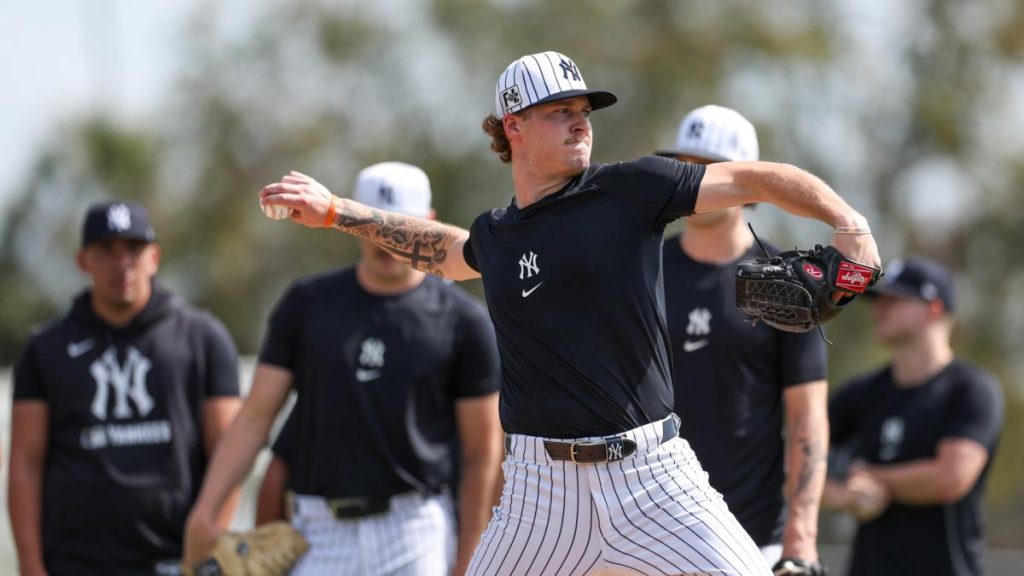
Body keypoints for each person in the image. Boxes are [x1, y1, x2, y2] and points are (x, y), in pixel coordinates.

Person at [257, 50, 881, 576]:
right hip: (537, 492)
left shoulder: (630, 189)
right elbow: (448, 253)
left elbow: (761, 178)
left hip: (652, 477)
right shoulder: (498, 235)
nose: (580, 123)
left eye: (584, 112)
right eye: (560, 112)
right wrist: (338, 211)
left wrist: (848, 224)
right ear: (514, 125)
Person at [184, 162, 503, 576]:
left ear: (427, 225)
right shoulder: (306, 304)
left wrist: (471, 559)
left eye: (399, 225)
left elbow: (483, 455)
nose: (386, 243)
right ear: (352, 222)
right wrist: (204, 512)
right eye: (372, 223)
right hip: (317, 531)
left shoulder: (465, 322)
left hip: (415, 527)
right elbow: (255, 419)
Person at [8, 200, 242, 576]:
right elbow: (25, 463)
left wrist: (209, 548)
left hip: (174, 561)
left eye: (133, 249)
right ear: (83, 261)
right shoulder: (45, 348)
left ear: (154, 256)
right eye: (106, 250)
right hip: (74, 563)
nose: (122, 263)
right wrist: (31, 565)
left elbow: (230, 454)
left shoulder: (202, 338)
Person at [656, 105, 829, 569]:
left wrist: (802, 537)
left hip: (754, 539)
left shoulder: (787, 284)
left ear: (748, 182)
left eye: (707, 170)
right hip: (653, 538)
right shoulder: (643, 271)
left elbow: (808, 418)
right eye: (682, 168)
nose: (691, 183)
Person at [823, 257, 1003, 576]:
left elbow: (951, 477)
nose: (878, 310)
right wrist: (844, 495)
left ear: (932, 309)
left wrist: (871, 476)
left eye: (894, 301)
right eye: (878, 301)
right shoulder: (860, 394)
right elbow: (798, 465)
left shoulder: (972, 389)